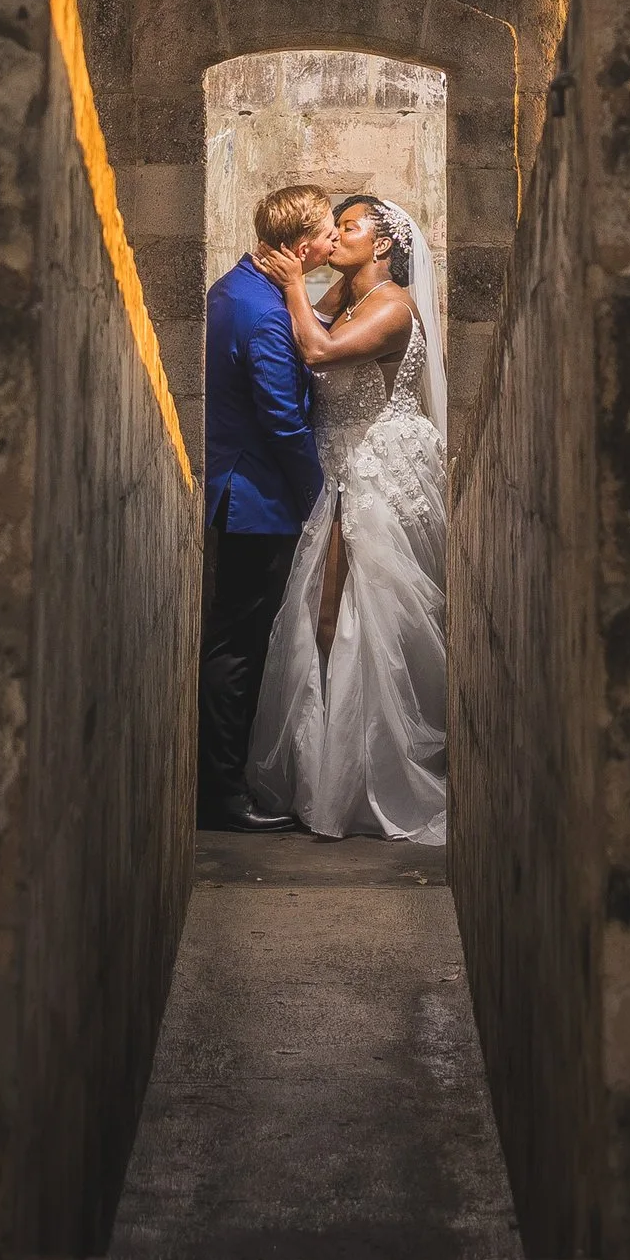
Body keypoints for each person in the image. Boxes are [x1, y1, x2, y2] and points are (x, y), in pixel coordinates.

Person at [242, 194, 448, 845]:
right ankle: (329, 774)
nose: (337, 236)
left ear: (383, 245)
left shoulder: (388, 307)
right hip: (340, 466)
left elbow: (320, 354)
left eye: (349, 228)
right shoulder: (348, 296)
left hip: (372, 474)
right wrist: (306, 279)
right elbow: (308, 324)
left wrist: (299, 281)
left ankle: (370, 779)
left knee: (361, 625)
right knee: (323, 623)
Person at [198, 181, 332, 832]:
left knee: (239, 641)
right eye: (329, 232)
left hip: (240, 490)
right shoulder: (267, 314)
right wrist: (318, 497)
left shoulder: (234, 289)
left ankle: (228, 783)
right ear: (303, 247)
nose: (335, 240)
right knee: (239, 647)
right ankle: (222, 796)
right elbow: (282, 419)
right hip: (259, 500)